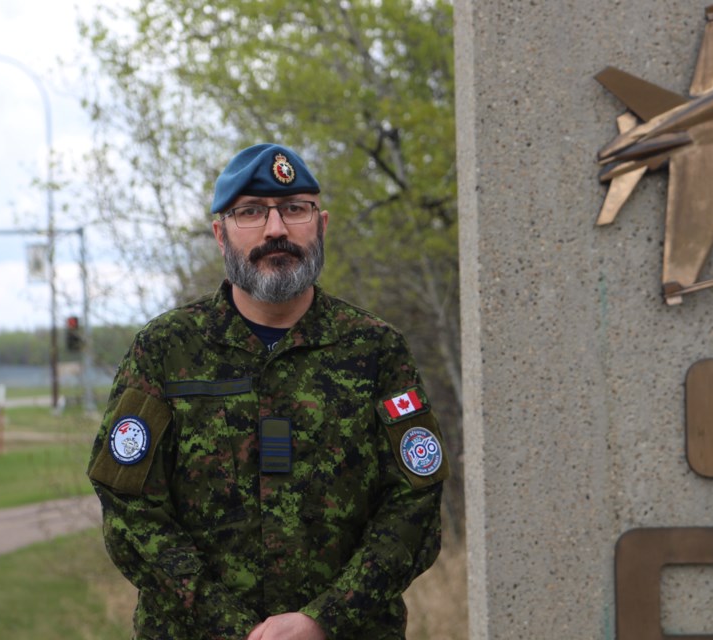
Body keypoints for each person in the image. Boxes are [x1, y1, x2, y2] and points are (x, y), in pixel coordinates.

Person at [87, 143, 449, 639]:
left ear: (321, 225)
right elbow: (128, 503)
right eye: (251, 212)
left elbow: (416, 502)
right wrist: (232, 626)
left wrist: (325, 619)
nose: (275, 229)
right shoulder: (167, 349)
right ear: (221, 234)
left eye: (294, 209)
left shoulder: (375, 350)